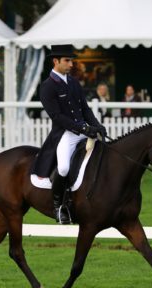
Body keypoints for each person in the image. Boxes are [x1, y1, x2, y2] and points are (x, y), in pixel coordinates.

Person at [31, 44, 107, 224]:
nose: (71, 65)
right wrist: (82, 129)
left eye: (71, 60)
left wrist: (96, 125)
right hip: (65, 134)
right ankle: (58, 207)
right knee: (64, 168)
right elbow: (57, 117)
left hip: (83, 130)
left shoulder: (73, 82)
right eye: (67, 61)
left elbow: (85, 109)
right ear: (55, 61)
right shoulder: (47, 86)